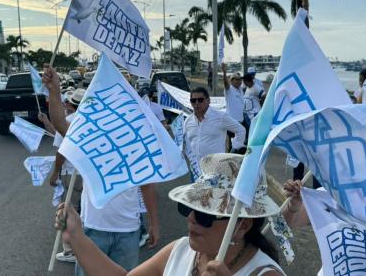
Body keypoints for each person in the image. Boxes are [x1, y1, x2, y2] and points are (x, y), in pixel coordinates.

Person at [55, 153, 285, 276]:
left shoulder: (264, 273)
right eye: (189, 208)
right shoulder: (181, 249)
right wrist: (77, 238)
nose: (191, 219)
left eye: (205, 215)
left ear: (242, 225)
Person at [41, 65, 161, 272]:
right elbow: (60, 123)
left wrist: (153, 222)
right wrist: (54, 91)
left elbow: (147, 185)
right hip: (93, 228)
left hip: (128, 231)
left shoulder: (137, 141)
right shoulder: (90, 138)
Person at [38, 87, 86, 263]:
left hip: (71, 173)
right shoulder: (91, 121)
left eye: (67, 101)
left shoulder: (68, 120)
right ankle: (87, 245)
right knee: (85, 211)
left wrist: (55, 173)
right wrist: (45, 121)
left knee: (68, 212)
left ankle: (71, 250)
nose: (65, 103)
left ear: (71, 104)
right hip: (87, 174)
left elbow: (61, 151)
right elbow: (57, 131)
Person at [183, 87, 246, 168]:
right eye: (193, 100)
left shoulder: (220, 117)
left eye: (200, 100)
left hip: (216, 167)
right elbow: (185, 143)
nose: (197, 103)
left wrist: (234, 150)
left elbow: (241, 130)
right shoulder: (188, 121)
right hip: (196, 169)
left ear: (208, 100)